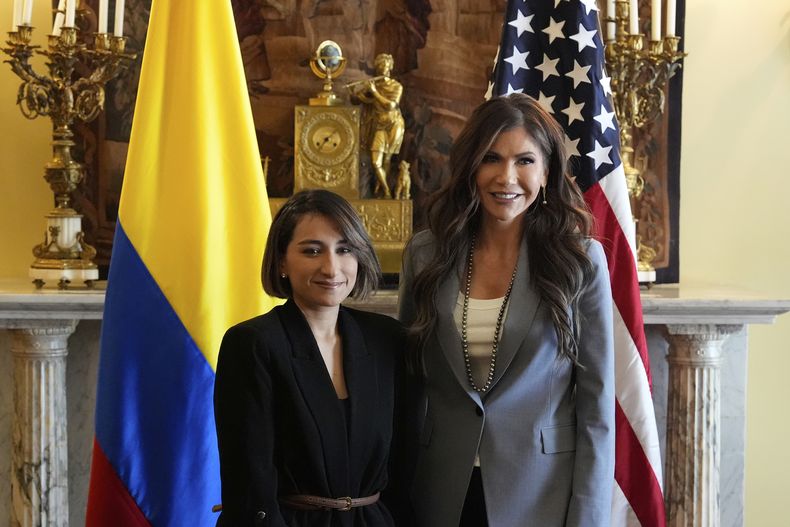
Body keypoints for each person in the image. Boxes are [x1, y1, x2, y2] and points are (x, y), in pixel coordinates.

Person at [398, 93, 615, 526]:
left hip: (541, 494)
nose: (507, 177)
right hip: (438, 491)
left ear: (547, 170)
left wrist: (589, 516)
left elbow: (597, 405)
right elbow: (405, 384)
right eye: (491, 158)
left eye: (525, 161)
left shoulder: (580, 261)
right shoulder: (426, 253)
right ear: (471, 166)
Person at [214, 189, 406, 527]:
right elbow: (249, 480)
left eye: (344, 249)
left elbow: (405, 463)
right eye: (312, 251)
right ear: (282, 261)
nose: (331, 267)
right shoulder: (252, 344)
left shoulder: (386, 339)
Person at [351, 53, 405, 199]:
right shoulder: (375, 85)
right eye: (379, 65)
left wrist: (374, 92)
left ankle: (381, 192)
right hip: (378, 126)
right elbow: (363, 101)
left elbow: (390, 105)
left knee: (387, 160)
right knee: (376, 162)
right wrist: (355, 93)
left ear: (390, 67)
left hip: (394, 124)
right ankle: (386, 190)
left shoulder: (396, 86)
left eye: (384, 65)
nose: (382, 68)